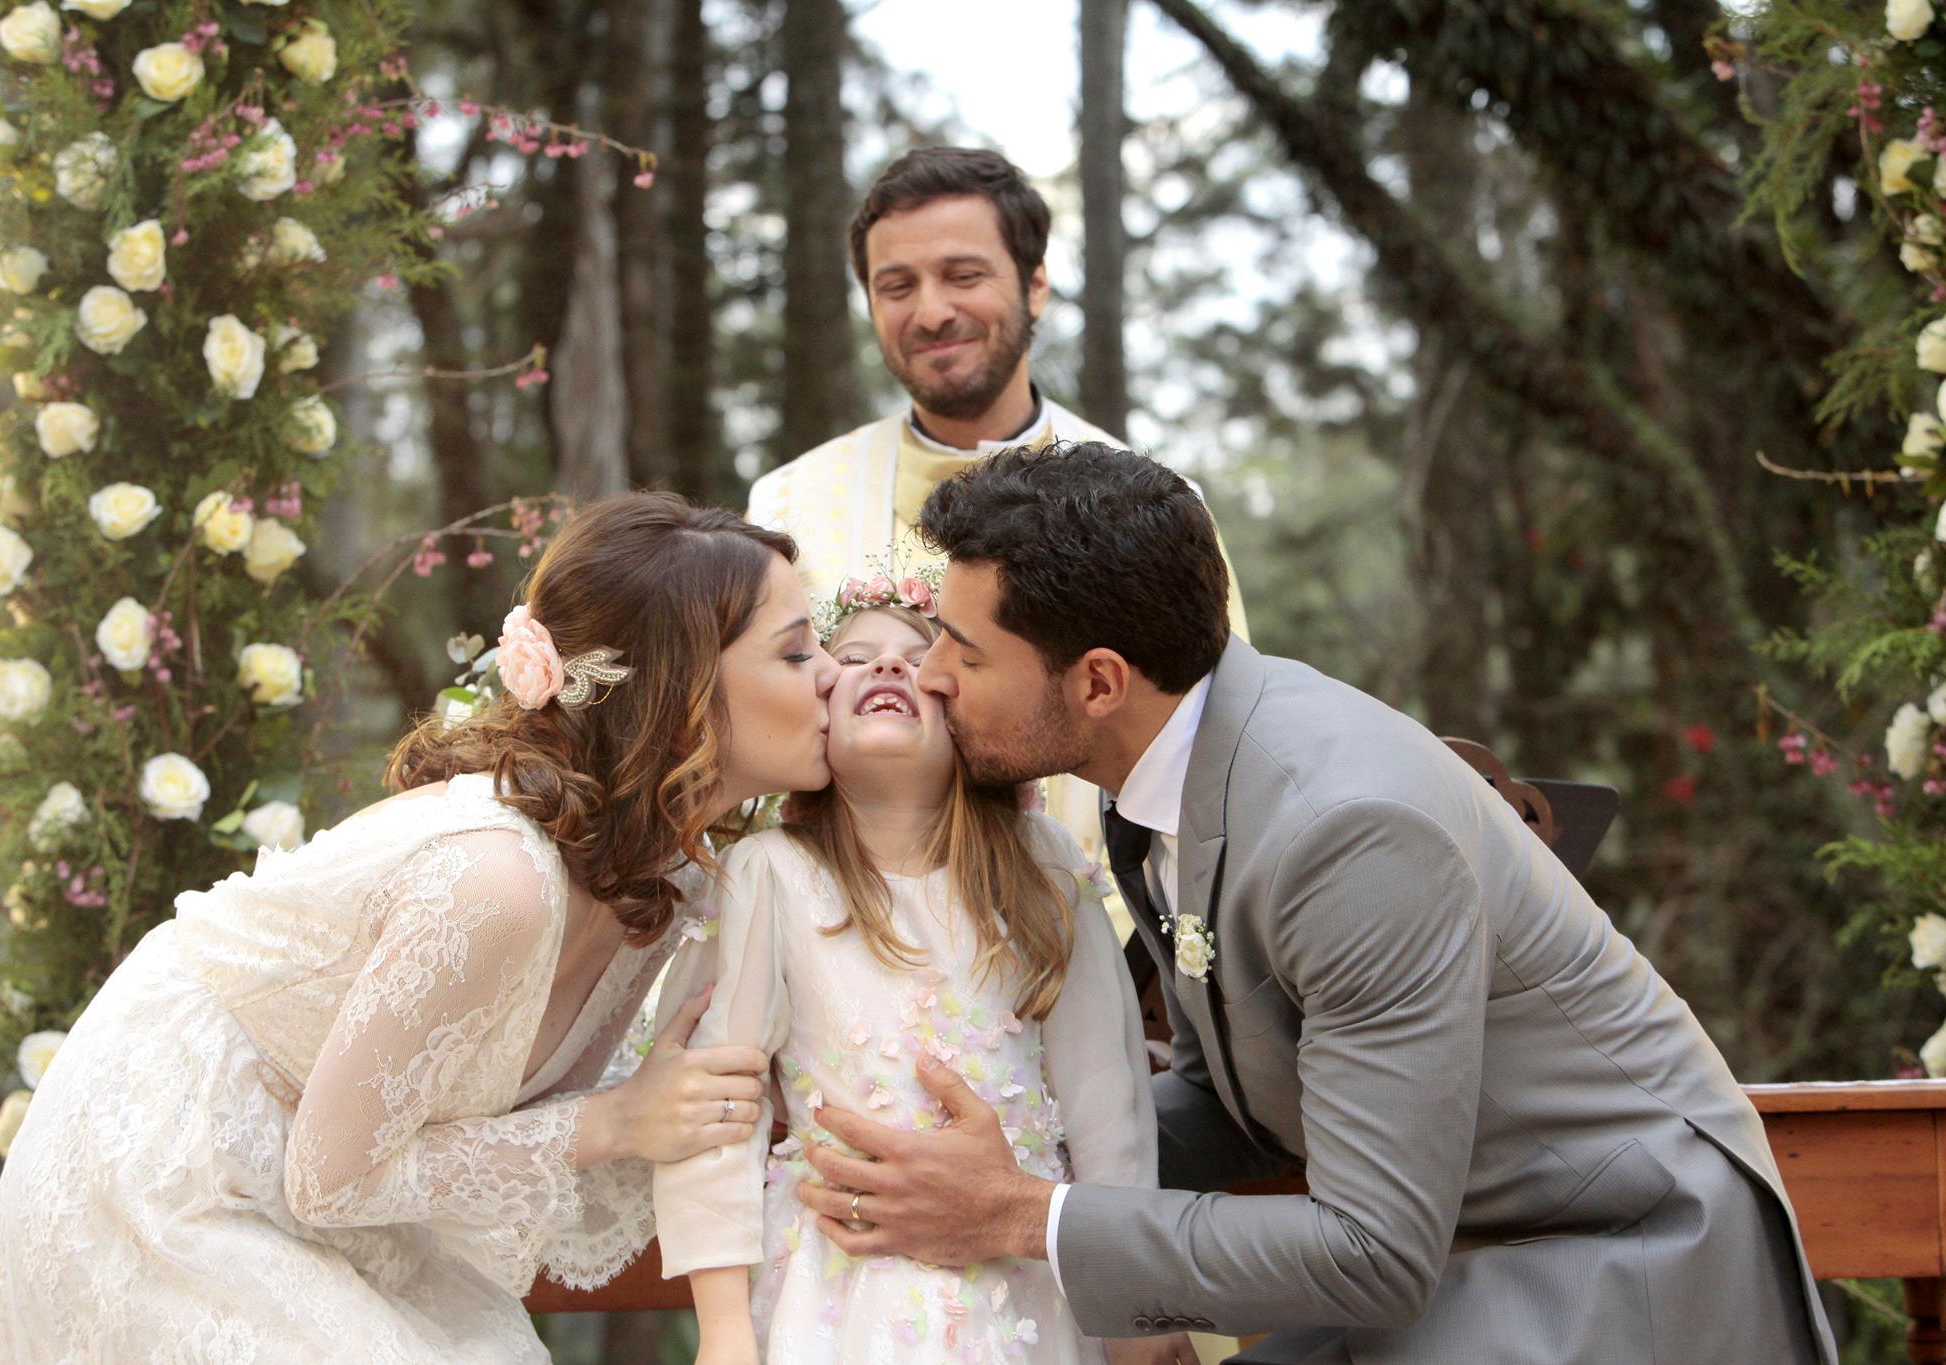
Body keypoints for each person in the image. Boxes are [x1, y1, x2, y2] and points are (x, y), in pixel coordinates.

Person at [788, 443, 1839, 1364]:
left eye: (964, 651)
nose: (929, 675)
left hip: (1614, 1264)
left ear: (1099, 683)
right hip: (1456, 1257)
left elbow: (1373, 1252)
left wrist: (1026, 1215)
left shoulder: (1347, 831)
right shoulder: (1155, 772)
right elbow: (1237, 1099)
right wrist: (1003, 1145)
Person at [0, 493, 842, 1364]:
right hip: (162, 1164)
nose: (834, 673)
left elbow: (529, 1111)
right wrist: (619, 1120)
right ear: (682, 692)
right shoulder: (494, 878)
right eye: (798, 650)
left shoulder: (666, 876)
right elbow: (332, 1177)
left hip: (313, 1180)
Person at [651, 577, 1185, 1365]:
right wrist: (725, 1328)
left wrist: (1135, 1313)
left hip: (1022, 1289)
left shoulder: (1042, 867)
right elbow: (716, 1117)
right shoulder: (767, 874)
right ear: (817, 716)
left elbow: (1110, 1105)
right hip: (837, 1294)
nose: (888, 668)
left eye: (920, 660)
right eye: (852, 659)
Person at [746, 143, 1247, 915]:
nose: (931, 312)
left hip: (1102, 933)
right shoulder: (787, 503)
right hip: (837, 930)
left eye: (963, 275)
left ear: (1035, 283)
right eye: (897, 285)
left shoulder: (1158, 508)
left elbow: (1216, 744)